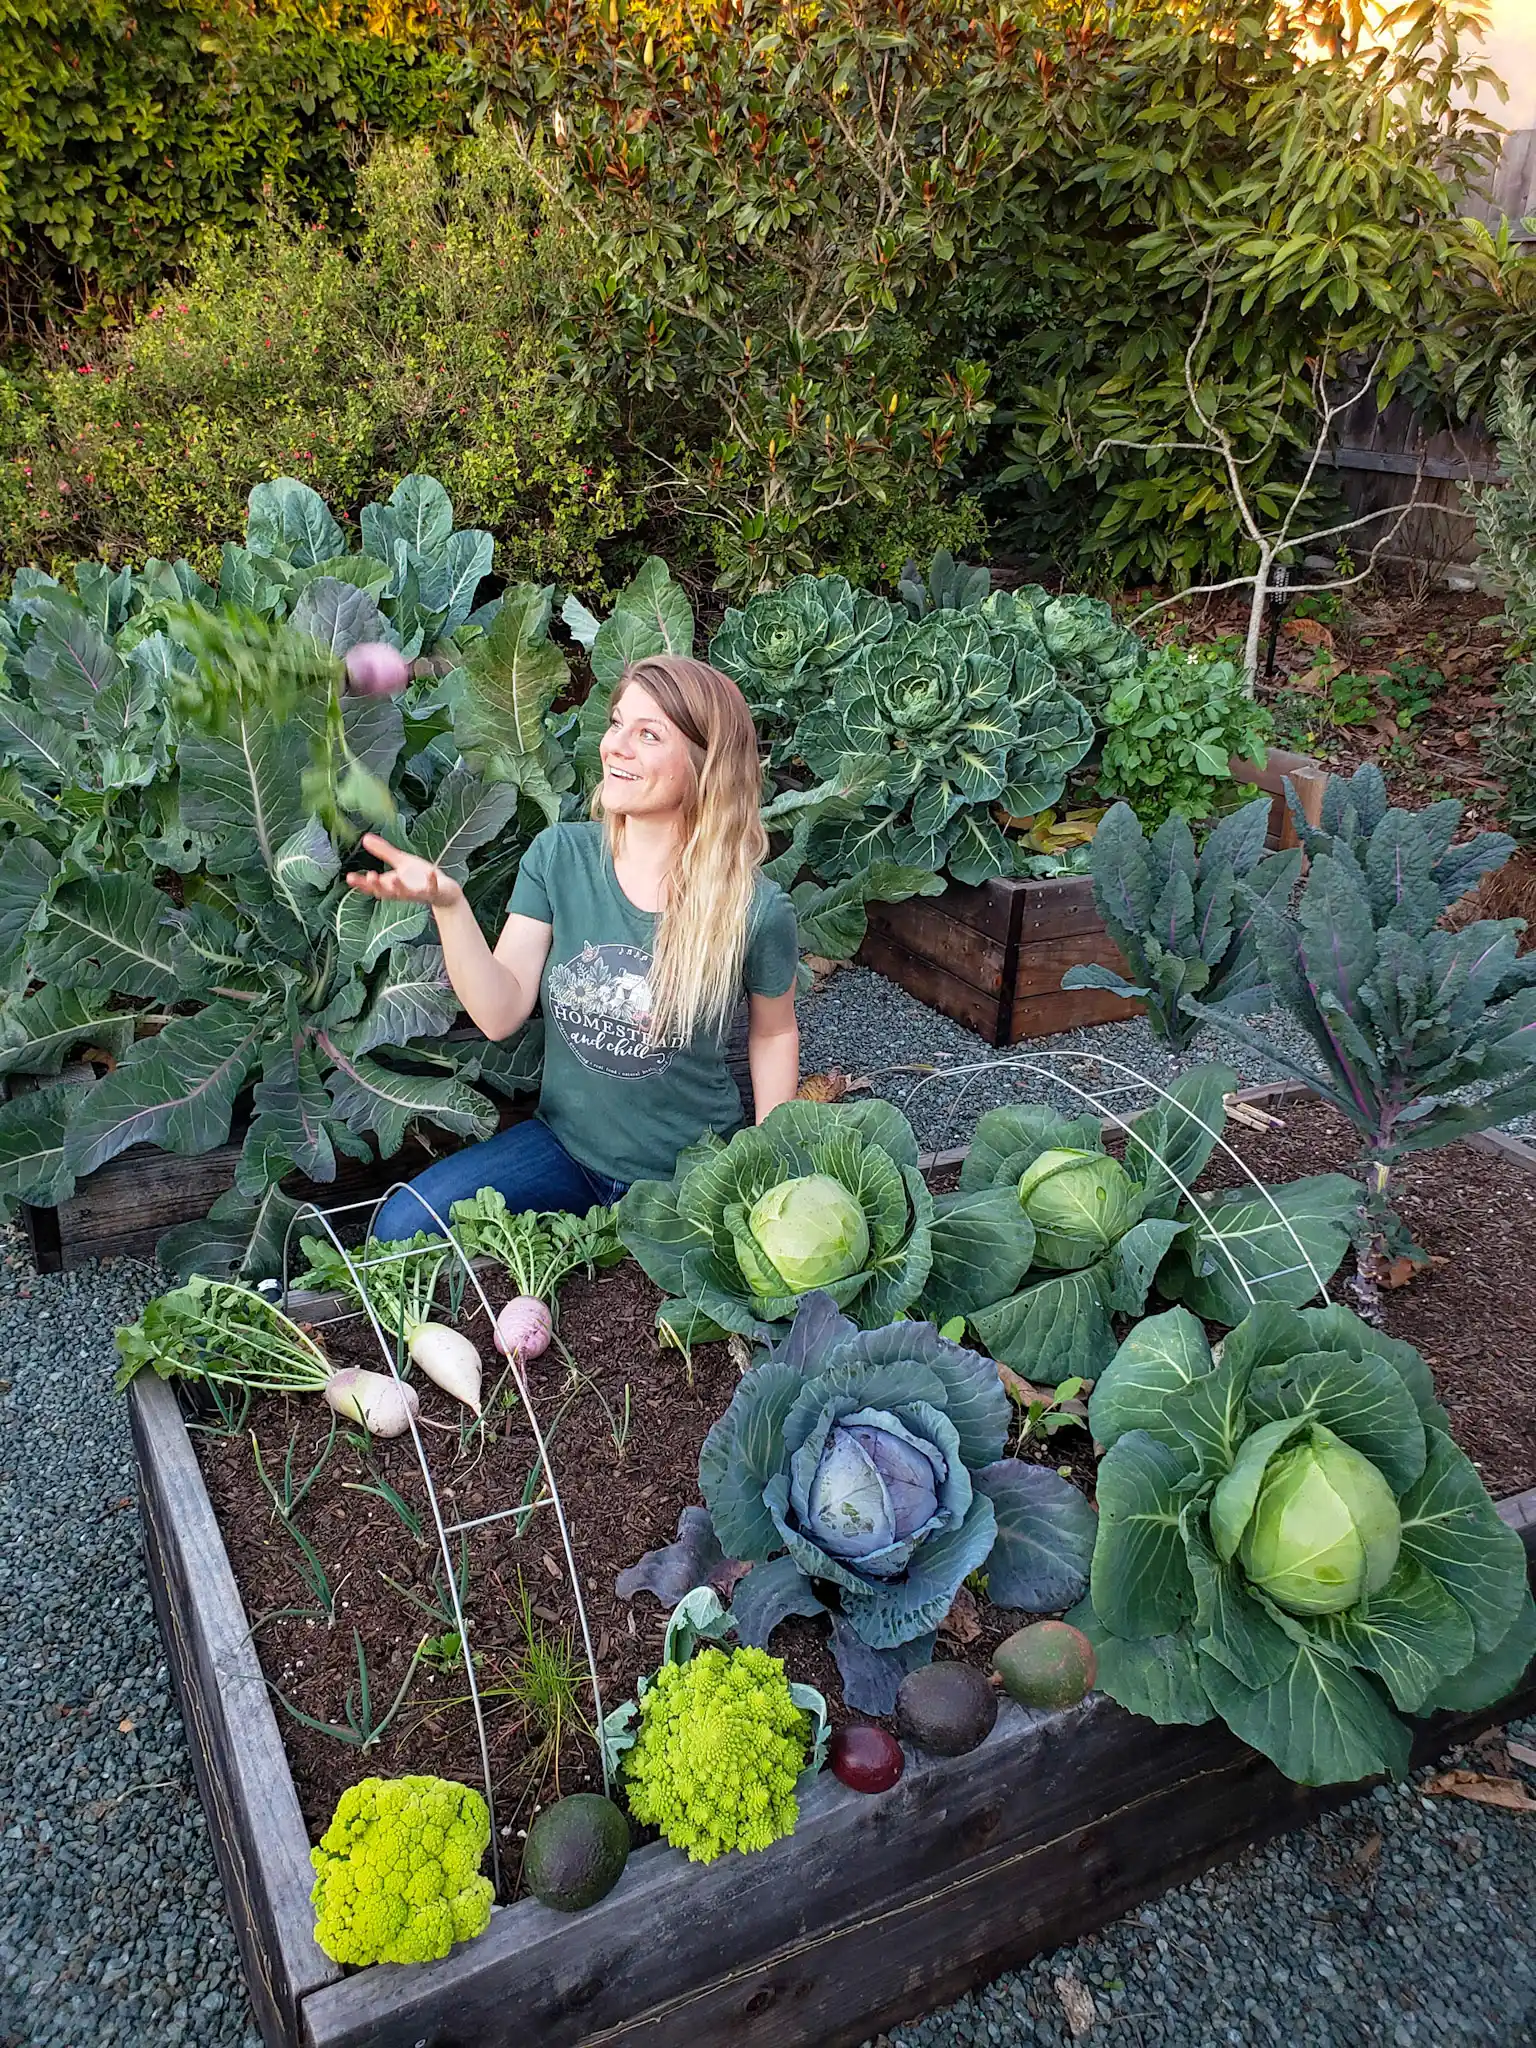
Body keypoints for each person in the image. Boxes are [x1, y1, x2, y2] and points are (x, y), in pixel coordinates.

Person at [356, 655, 801, 1240]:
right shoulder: (559, 857)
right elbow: (499, 1013)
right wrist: (449, 904)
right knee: (401, 1226)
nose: (616, 746)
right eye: (617, 724)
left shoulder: (754, 908)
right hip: (563, 1151)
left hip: (690, 1171)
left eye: (649, 734)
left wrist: (768, 1162)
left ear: (705, 764)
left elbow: (773, 1032)